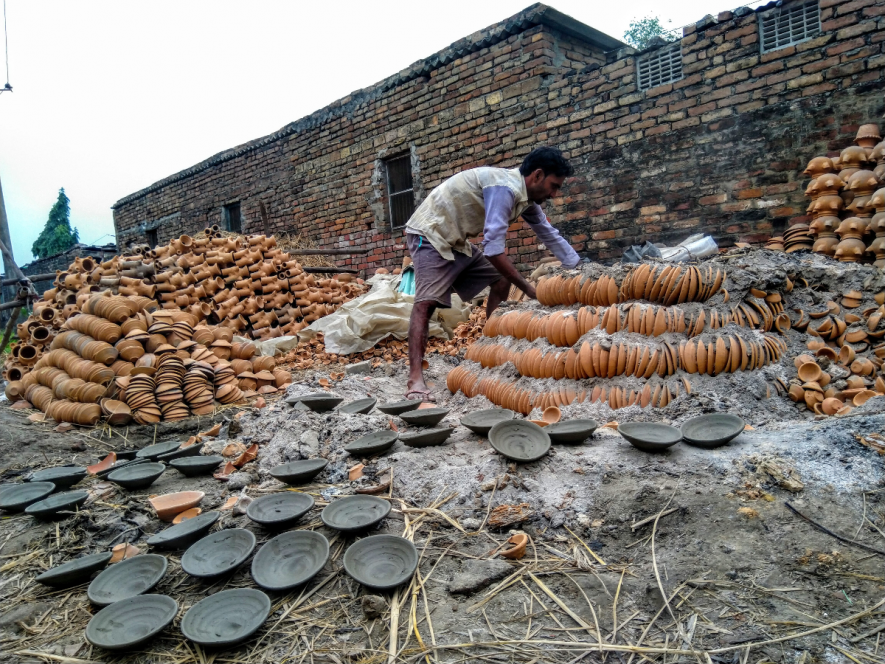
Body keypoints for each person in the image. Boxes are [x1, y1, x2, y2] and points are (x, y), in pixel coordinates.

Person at [403, 146, 580, 401]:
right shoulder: (504, 189)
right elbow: (493, 250)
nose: (553, 194)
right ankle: (415, 380)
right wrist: (528, 288)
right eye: (553, 186)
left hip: (457, 241)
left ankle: (489, 347)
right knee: (425, 303)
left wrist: (577, 267)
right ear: (537, 175)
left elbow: (548, 233)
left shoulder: (525, 199)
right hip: (429, 234)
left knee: (500, 279)